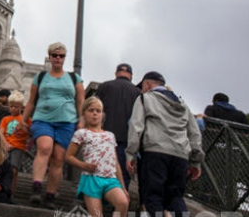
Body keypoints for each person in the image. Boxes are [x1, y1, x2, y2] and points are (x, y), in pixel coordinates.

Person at [127, 71, 203, 217]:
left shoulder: (144, 98)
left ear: (148, 84)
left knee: (153, 197)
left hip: (155, 153)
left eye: (142, 86)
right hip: (180, 156)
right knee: (175, 198)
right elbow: (194, 133)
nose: (141, 90)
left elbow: (136, 127)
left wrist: (130, 153)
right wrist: (196, 161)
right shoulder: (182, 103)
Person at [21, 42, 84, 208]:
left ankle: (50, 196)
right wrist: (23, 118)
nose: (57, 58)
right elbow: (31, 101)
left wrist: (81, 121)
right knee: (45, 148)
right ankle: (36, 187)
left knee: (58, 158)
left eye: (61, 55)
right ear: (49, 57)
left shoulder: (74, 78)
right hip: (43, 119)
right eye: (54, 55)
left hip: (67, 122)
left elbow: (80, 101)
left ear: (64, 58)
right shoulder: (40, 77)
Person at [65, 96, 130, 217]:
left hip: (111, 179)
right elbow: (68, 156)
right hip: (91, 180)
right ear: (84, 113)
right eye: (91, 110)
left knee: (123, 202)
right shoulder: (81, 133)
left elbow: (115, 162)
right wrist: (83, 165)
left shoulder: (110, 135)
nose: (95, 113)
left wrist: (123, 187)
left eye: (98, 111)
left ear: (102, 114)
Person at [94, 62, 140, 185]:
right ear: (130, 75)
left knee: (100, 168)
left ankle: (97, 198)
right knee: (122, 172)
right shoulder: (137, 92)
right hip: (126, 138)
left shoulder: (104, 86)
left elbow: (95, 108)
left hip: (104, 135)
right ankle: (119, 199)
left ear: (116, 73)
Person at [0, 90, 30, 196]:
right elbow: (0, 133)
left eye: (16, 107)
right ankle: (0, 189)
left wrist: (26, 131)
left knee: (14, 170)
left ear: (21, 107)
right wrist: (5, 144)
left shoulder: (26, 120)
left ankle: (10, 191)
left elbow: (31, 133)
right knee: (2, 168)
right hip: (6, 147)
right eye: (11, 106)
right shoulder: (5, 119)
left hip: (18, 147)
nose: (13, 109)